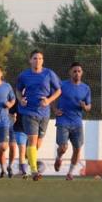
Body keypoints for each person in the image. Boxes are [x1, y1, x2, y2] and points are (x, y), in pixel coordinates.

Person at [16, 50, 61, 181]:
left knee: (37, 144)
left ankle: (27, 157)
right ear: (30, 60)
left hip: (44, 113)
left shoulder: (49, 74)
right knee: (32, 140)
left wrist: (48, 100)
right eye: (35, 58)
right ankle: (34, 171)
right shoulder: (24, 75)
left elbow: (58, 90)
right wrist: (21, 100)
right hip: (29, 112)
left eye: (40, 58)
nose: (38, 60)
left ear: (43, 60)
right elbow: (18, 90)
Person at [53, 62, 91, 180]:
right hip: (63, 120)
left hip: (77, 122)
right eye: (74, 71)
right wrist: (54, 109)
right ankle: (59, 157)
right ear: (70, 73)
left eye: (79, 71)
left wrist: (85, 107)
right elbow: (52, 98)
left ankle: (70, 173)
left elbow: (89, 107)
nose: (77, 73)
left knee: (78, 148)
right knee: (63, 147)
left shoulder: (86, 88)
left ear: (82, 73)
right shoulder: (62, 85)